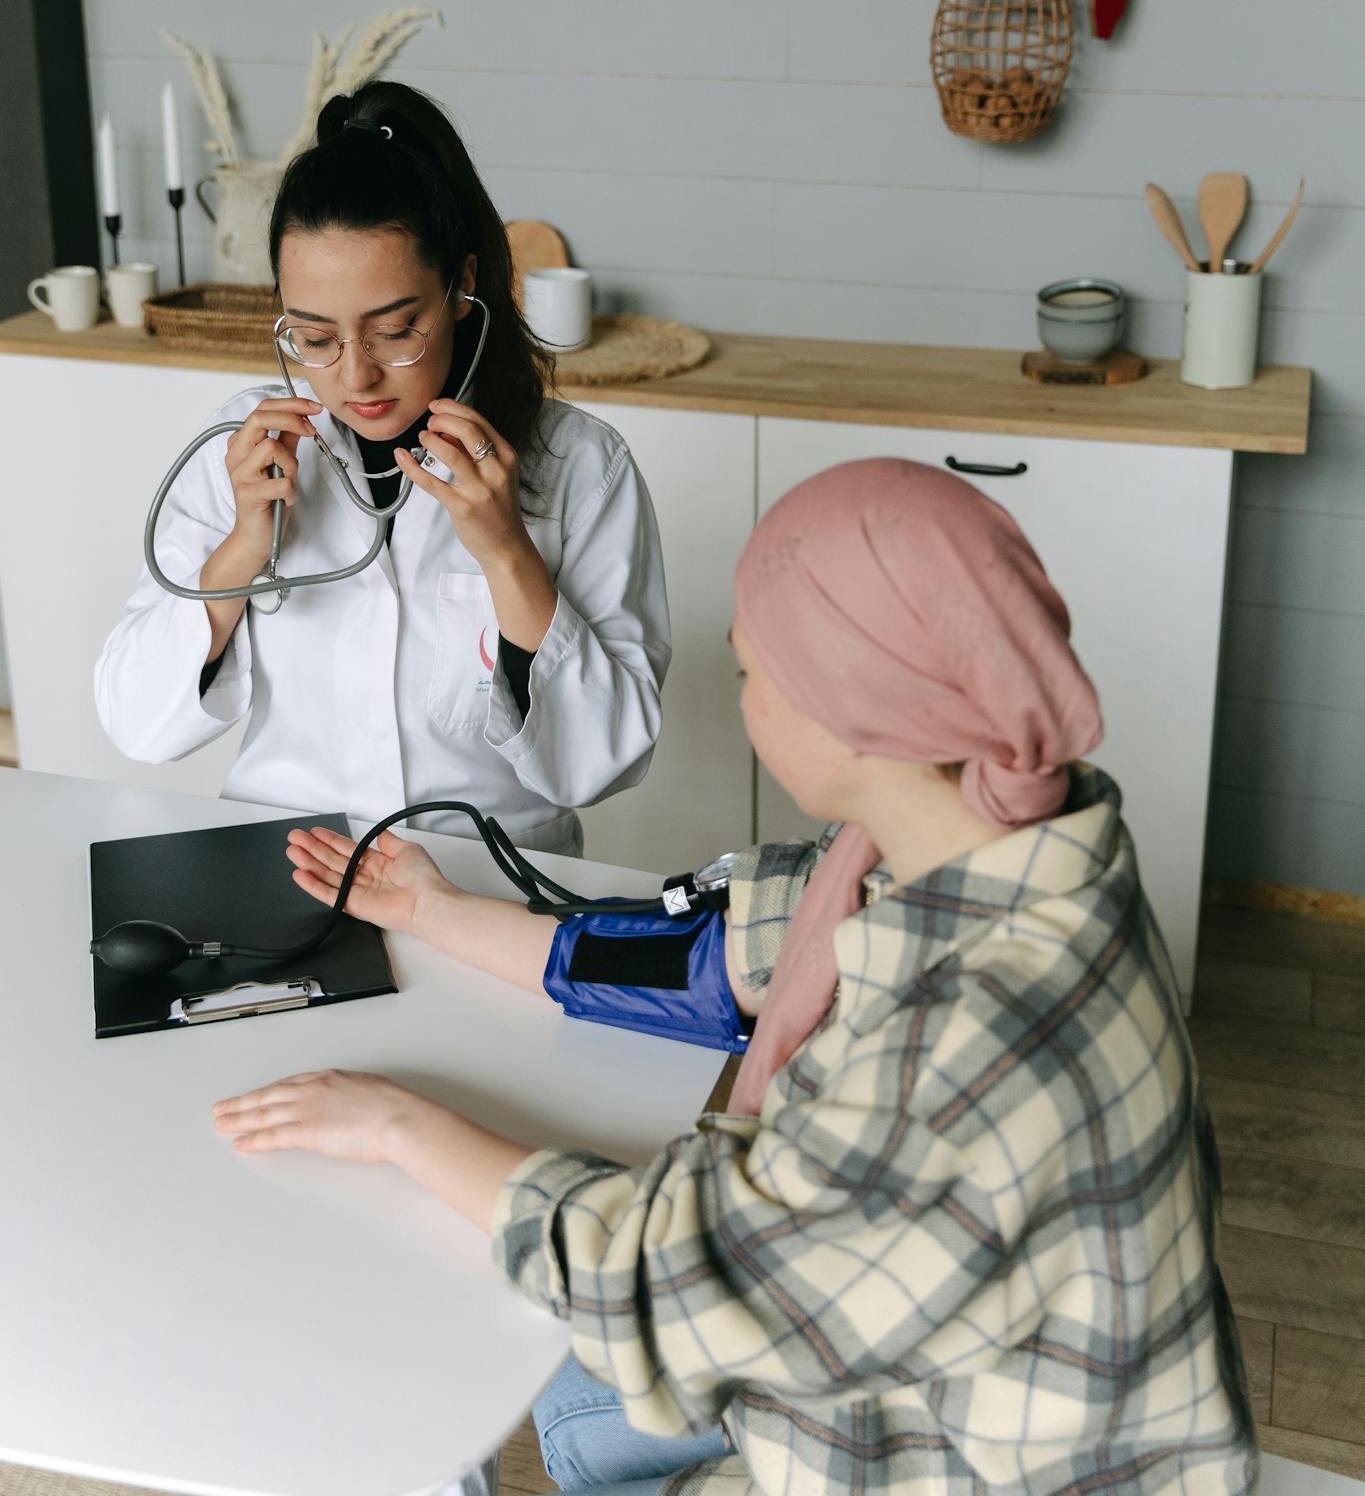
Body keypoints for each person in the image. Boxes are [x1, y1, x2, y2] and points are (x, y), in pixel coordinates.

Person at [213, 458, 1256, 1495]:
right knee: (563, 1401)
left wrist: (402, 1125)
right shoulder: (998, 830)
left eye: (754, 672)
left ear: (856, 710)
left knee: (520, 1363)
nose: (743, 698)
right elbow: (709, 959)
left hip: (930, 1458)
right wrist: (433, 911)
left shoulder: (975, 1057)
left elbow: (662, 1281)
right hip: (910, 1365)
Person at [96, 81, 669, 854]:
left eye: (396, 330)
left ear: (463, 286)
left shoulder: (578, 466)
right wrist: (238, 549)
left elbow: (602, 762)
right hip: (285, 858)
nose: (356, 377)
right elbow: (137, 724)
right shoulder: (240, 447)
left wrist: (506, 552)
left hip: (485, 878)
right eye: (315, 337)